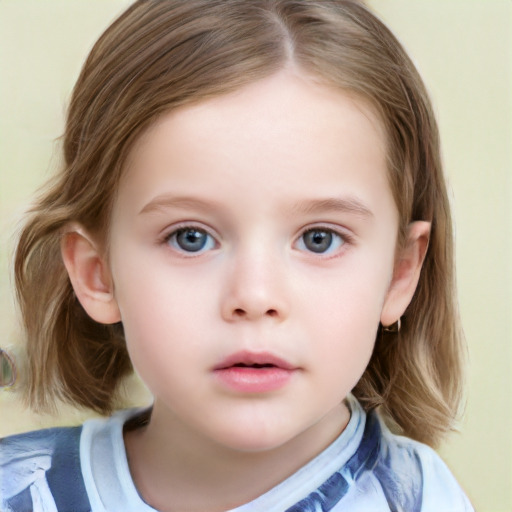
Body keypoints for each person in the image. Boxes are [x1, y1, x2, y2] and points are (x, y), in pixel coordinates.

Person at [0, 0, 474, 510]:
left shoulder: (421, 499)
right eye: (191, 238)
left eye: (320, 238)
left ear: (400, 273)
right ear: (98, 274)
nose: (255, 296)